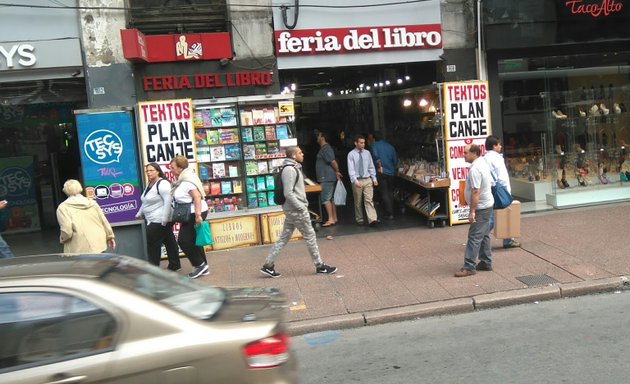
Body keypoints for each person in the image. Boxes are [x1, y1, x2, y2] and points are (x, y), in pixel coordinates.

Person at [260, 146, 337, 278]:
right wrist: (301, 207)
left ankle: (268, 265)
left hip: (292, 210)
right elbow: (288, 193)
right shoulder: (290, 170)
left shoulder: (293, 168)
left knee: (284, 237)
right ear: (293, 156)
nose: (303, 154)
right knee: (310, 236)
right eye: (300, 152)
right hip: (296, 210)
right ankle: (320, 266)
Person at [455, 144, 494, 277]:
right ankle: (486, 261)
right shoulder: (481, 163)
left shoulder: (475, 169)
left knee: (474, 236)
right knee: (483, 234)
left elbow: (475, 191)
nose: (463, 155)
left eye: (466, 153)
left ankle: (469, 266)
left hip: (481, 207)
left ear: (474, 153)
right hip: (486, 205)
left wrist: (472, 211)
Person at [170, 155, 209, 279]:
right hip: (190, 212)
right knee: (193, 240)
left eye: (173, 168)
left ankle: (200, 265)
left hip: (195, 212)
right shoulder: (182, 180)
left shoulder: (187, 180)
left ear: (180, 168)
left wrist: (198, 216)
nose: (171, 170)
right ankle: (203, 267)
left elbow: (197, 197)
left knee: (183, 240)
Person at [136, 163, 181, 270]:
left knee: (151, 241)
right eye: (147, 171)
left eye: (151, 170)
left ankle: (153, 268)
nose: (149, 173)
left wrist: (164, 220)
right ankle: (175, 265)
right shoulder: (150, 184)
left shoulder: (163, 183)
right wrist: (139, 213)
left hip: (159, 219)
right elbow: (145, 201)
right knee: (168, 240)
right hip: (154, 219)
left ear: (158, 171)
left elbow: (168, 201)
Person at [56, 179, 116, 253]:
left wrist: (62, 239)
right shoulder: (92, 203)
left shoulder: (63, 208)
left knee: (83, 265)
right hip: (99, 243)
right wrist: (110, 236)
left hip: (79, 247)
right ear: (80, 188)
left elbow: (67, 230)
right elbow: (104, 221)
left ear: (65, 190)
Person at [484, 135, 521, 248]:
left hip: (491, 189)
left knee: (498, 214)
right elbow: (502, 177)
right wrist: (506, 191)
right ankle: (480, 236)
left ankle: (508, 239)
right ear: (494, 146)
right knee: (496, 216)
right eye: (498, 144)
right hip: (499, 189)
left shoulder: (485, 158)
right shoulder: (497, 158)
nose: (500, 146)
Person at [347, 135, 379, 226]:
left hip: (367, 179)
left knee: (369, 199)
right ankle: (359, 219)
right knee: (358, 201)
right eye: (361, 143)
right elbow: (351, 169)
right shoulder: (351, 154)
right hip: (357, 179)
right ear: (356, 143)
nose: (363, 144)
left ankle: (372, 219)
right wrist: (354, 180)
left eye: (364, 142)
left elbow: (371, 166)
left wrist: (374, 178)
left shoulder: (367, 153)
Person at [315, 132, 342, 227]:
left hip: (326, 177)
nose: (317, 137)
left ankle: (330, 219)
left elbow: (332, 161)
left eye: (318, 135)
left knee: (326, 198)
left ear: (322, 137)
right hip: (327, 177)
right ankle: (334, 218)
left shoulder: (326, 148)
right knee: (330, 198)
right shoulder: (325, 148)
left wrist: (337, 170)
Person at [368, 132, 398, 220]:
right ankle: (391, 211)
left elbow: (376, 157)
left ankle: (389, 213)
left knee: (384, 192)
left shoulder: (374, 146)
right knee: (390, 192)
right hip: (391, 172)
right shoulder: (390, 146)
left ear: (373, 138)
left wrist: (379, 166)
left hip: (381, 172)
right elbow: (395, 160)